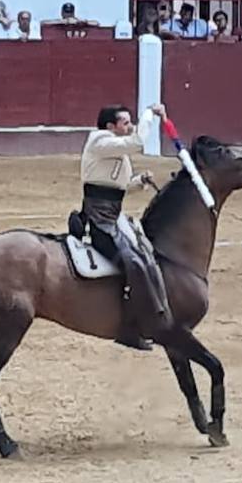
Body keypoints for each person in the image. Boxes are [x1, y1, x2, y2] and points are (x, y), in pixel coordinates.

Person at [77, 103, 172, 351]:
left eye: (130, 122)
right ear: (110, 126)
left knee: (144, 254)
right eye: (125, 122)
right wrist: (150, 115)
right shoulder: (101, 141)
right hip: (99, 219)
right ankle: (129, 328)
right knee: (133, 262)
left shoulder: (109, 146)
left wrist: (138, 181)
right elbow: (139, 142)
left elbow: (113, 186)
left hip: (113, 213)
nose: (129, 127)